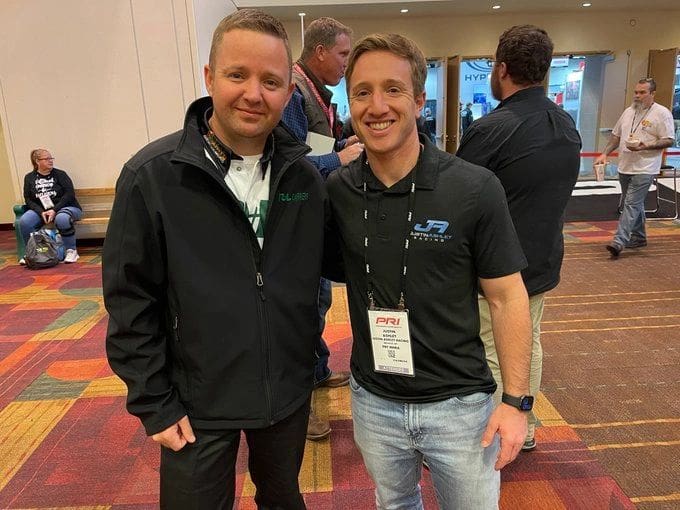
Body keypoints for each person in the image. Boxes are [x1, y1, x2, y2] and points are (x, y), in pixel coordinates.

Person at [103, 10, 325, 509]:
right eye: (237, 75)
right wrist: (153, 401)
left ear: (288, 91)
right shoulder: (153, 177)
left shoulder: (303, 180)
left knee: (284, 498)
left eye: (271, 81)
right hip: (194, 396)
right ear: (208, 77)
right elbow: (128, 299)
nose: (254, 93)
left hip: (285, 389)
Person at [325, 33, 533, 509]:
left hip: (459, 408)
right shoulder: (338, 191)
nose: (377, 106)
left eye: (393, 90)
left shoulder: (473, 188)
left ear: (419, 99)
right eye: (362, 92)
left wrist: (517, 402)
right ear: (350, 103)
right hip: (374, 400)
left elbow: (507, 298)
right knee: (394, 503)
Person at [457, 25, 581, 452]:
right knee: (527, 343)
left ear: (502, 68)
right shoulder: (566, 126)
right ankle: (524, 430)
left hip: (494, 271)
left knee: (491, 351)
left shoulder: (491, 130)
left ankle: (493, 441)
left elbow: (455, 201)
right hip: (542, 262)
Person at [281, 16, 360, 441]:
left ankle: (318, 370)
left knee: (318, 302)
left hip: (313, 214)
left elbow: (310, 145)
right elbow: (289, 166)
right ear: (320, 52)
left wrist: (339, 146)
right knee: (303, 312)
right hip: (294, 216)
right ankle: (301, 405)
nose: (347, 63)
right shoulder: (294, 93)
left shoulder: (311, 92)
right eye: (344, 54)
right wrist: (338, 161)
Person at [594, 77, 675, 256]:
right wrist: (605, 153)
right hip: (625, 166)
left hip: (645, 167)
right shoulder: (628, 112)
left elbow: (669, 139)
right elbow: (616, 136)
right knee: (634, 204)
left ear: (652, 94)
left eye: (642, 93)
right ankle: (638, 237)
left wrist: (645, 146)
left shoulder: (661, 113)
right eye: (636, 92)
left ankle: (619, 241)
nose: (637, 96)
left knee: (631, 203)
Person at [20, 148, 82, 264]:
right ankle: (32, 252)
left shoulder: (60, 174)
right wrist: (40, 212)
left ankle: (71, 251)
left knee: (62, 218)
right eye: (46, 159)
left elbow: (69, 194)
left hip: (66, 207)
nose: (50, 161)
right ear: (37, 161)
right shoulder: (29, 178)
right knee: (25, 221)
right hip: (42, 211)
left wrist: (55, 209)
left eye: (51, 158)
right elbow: (28, 199)